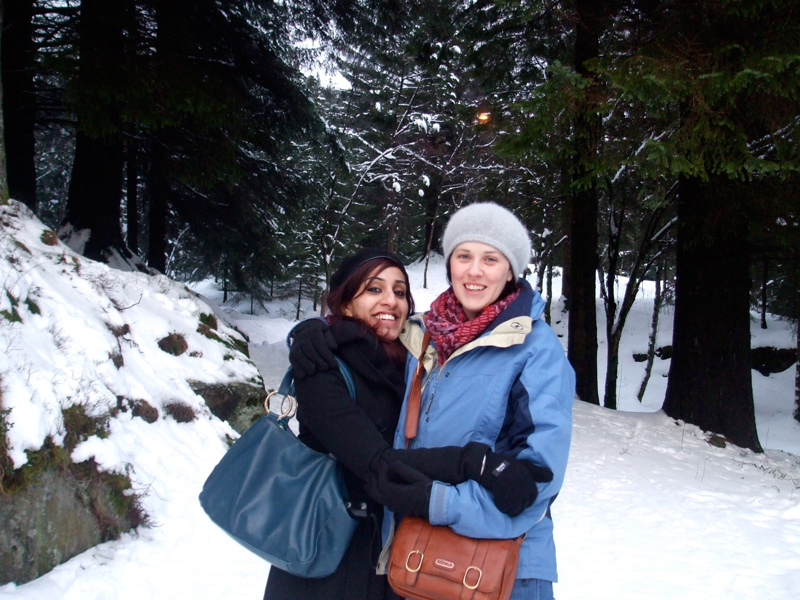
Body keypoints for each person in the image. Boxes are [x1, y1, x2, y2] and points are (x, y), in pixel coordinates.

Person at [293, 204, 575, 600]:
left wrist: (438, 501)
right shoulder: (426, 336)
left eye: (490, 259)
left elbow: (532, 485)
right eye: (464, 256)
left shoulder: (535, 350)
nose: (474, 271)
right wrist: (314, 330)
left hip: (500, 569)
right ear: (450, 265)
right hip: (417, 559)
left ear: (510, 271)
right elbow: (369, 326)